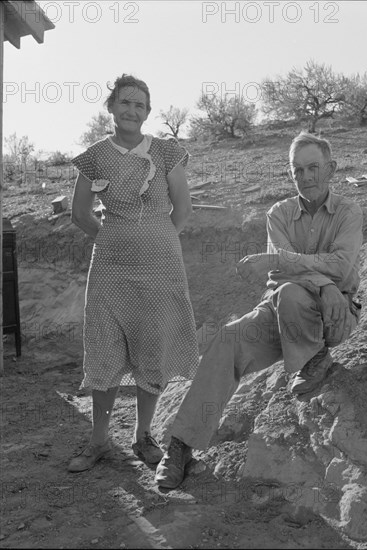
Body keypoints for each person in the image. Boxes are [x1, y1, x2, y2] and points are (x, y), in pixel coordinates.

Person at [154, 131, 363, 489]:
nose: (306, 177)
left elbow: (342, 267)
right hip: (280, 310)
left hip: (334, 313)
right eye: (297, 171)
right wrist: (323, 281)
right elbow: (278, 272)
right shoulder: (278, 213)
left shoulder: (348, 212)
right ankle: (181, 446)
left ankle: (312, 359)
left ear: (331, 169)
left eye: (314, 168)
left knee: (295, 293)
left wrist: (324, 283)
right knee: (228, 339)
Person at [68, 74, 199, 473]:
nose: (132, 110)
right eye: (125, 102)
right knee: (105, 347)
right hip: (109, 267)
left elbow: (183, 209)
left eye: (139, 105)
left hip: (161, 265)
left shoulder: (165, 152)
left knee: (151, 346)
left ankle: (143, 437)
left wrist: (156, 238)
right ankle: (98, 442)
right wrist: (112, 237)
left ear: (148, 112)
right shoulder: (93, 156)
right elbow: (79, 213)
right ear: (111, 107)